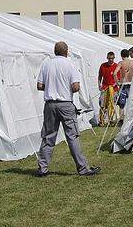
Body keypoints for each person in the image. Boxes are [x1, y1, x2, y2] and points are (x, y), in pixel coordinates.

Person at [36, 41, 100, 177]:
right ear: (66, 51)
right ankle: (83, 168)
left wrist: (51, 87)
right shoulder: (70, 64)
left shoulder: (46, 64)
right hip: (65, 104)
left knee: (48, 137)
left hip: (50, 104)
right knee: (72, 137)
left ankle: (43, 168)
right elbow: (76, 87)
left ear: (55, 51)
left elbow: (40, 86)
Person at [98, 51, 119, 125]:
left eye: (112, 58)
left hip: (114, 89)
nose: (111, 60)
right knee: (102, 104)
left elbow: (118, 78)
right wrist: (99, 85)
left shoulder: (116, 66)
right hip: (104, 88)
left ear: (114, 58)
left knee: (112, 104)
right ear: (107, 58)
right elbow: (100, 76)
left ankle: (111, 120)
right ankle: (101, 120)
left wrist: (114, 84)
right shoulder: (103, 66)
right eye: (109, 58)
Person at [113, 49, 133, 119]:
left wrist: (117, 83)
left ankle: (121, 119)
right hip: (132, 84)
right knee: (132, 103)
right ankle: (131, 119)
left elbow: (114, 73)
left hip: (123, 85)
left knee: (122, 105)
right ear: (128, 55)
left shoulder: (121, 63)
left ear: (121, 56)